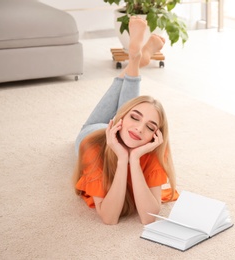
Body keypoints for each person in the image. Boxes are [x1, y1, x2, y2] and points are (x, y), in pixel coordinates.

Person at [72, 17, 177, 225]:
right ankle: (137, 60)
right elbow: (109, 218)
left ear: (155, 135)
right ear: (120, 117)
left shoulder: (153, 148)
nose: (139, 129)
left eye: (150, 127)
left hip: (120, 130)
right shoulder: (93, 148)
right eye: (135, 118)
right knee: (131, 106)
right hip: (96, 134)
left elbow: (149, 218)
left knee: (134, 107)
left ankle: (136, 61)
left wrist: (134, 159)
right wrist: (121, 159)